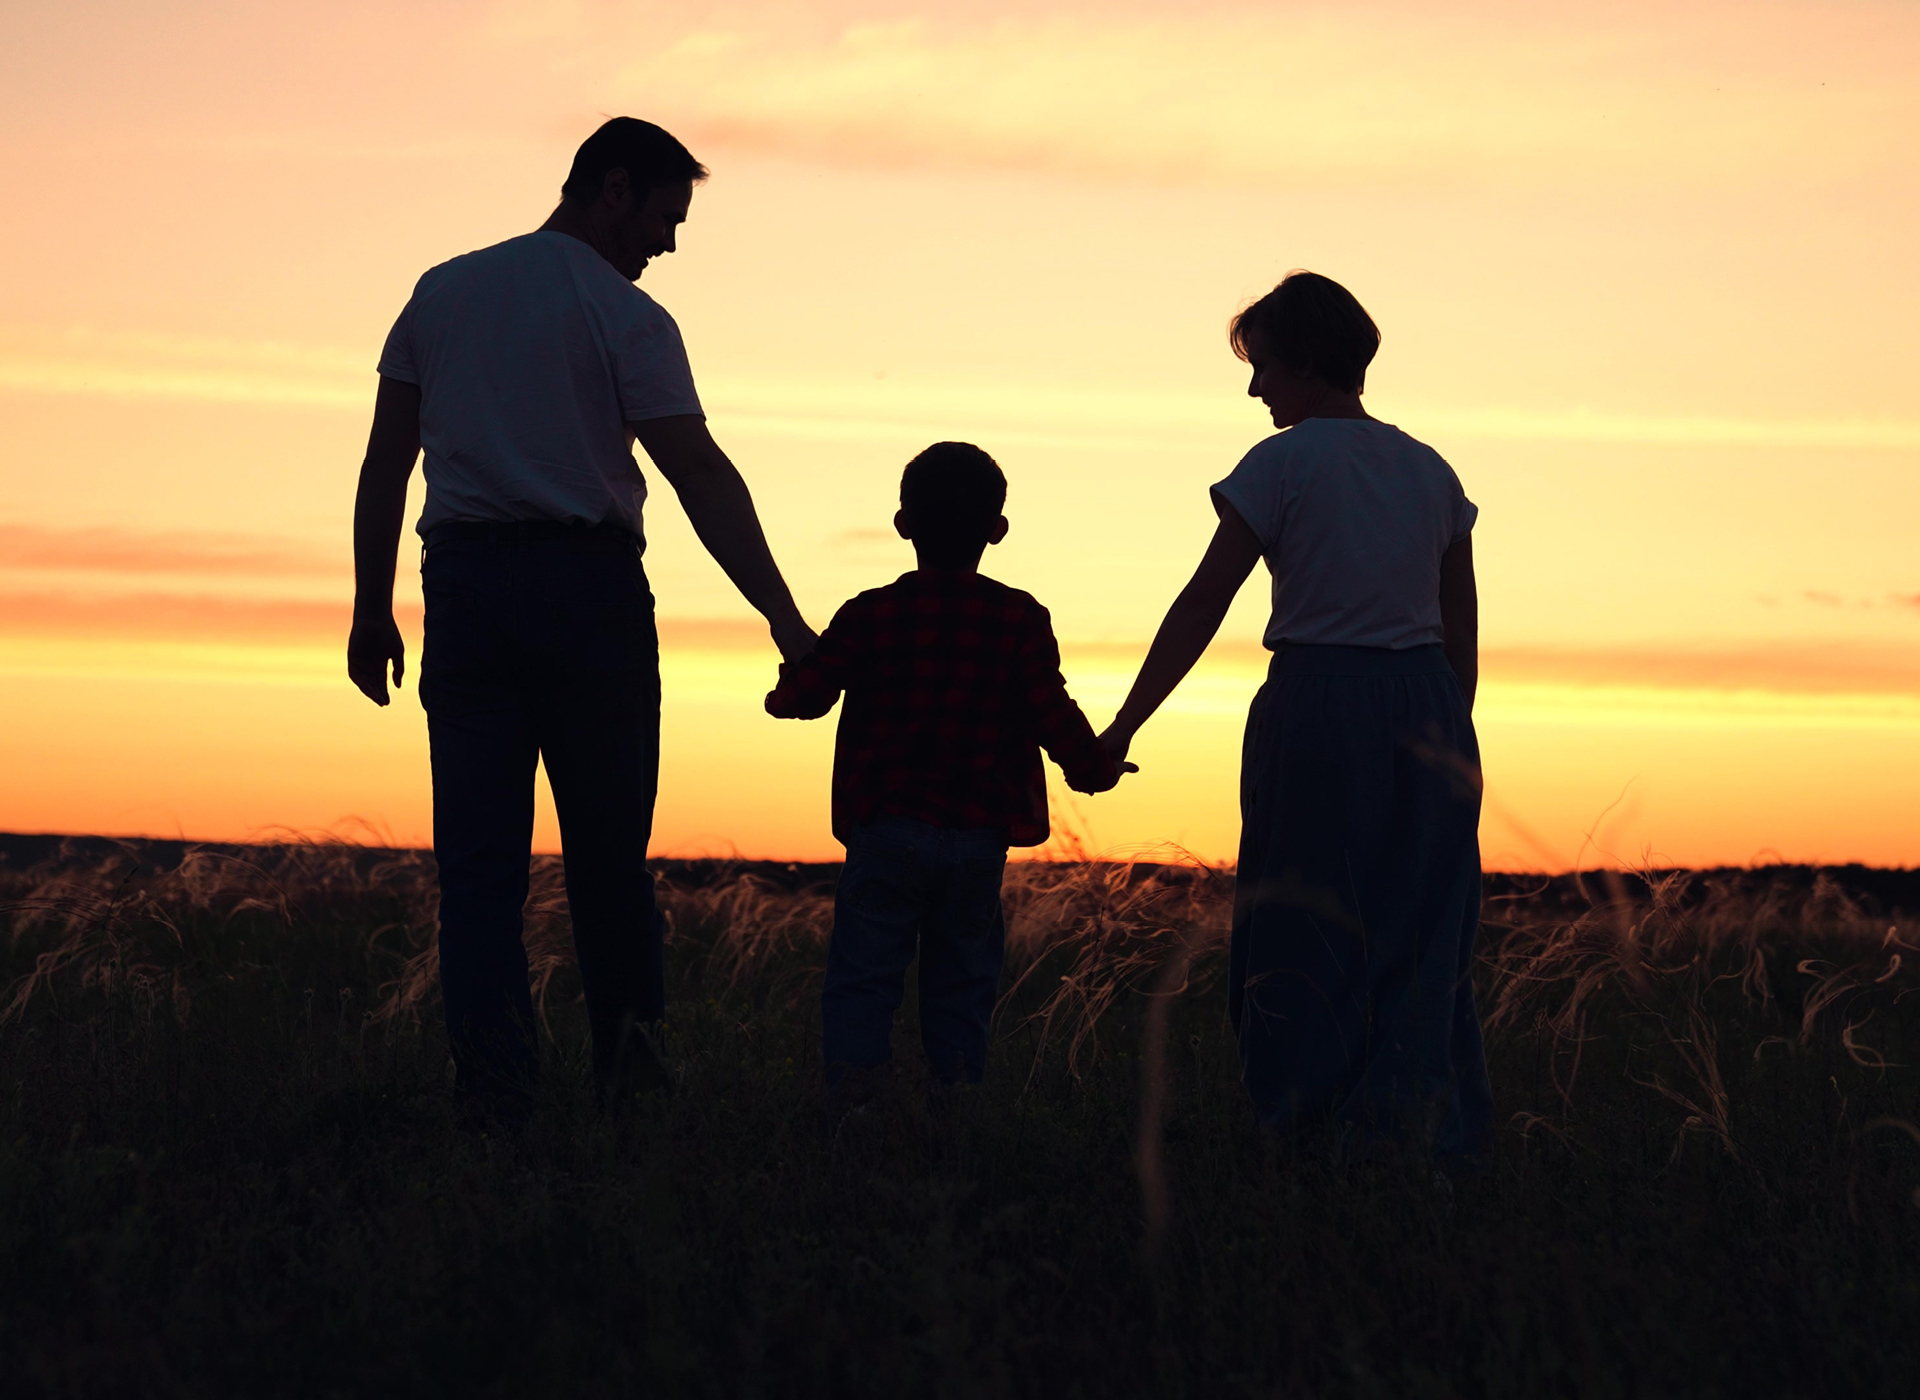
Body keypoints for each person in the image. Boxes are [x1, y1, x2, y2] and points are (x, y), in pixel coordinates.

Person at [347, 118, 816, 1116]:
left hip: (464, 594)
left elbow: (388, 462)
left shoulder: (444, 289)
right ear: (613, 190)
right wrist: (785, 617)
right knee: (609, 863)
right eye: (664, 214)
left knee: (477, 871)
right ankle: (633, 1085)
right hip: (587, 596)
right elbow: (697, 473)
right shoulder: (624, 316)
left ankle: (495, 1094)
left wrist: (369, 602)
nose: (669, 242)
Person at [1098, 272, 1492, 1159]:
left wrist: (1124, 726)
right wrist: (1445, 743)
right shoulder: (1430, 468)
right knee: (1421, 927)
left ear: (1307, 360)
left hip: (1320, 699)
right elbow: (1458, 631)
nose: (1254, 388)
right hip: (1427, 703)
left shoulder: (1279, 464)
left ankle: (1297, 1127)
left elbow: (1200, 605)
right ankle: (1419, 1135)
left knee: (1299, 918)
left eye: (1263, 366)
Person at [765, 443, 1123, 1090]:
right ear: (997, 530)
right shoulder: (1019, 618)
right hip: (976, 841)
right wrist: (1094, 768)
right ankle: (954, 1117)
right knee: (962, 985)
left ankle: (854, 1115)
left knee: (863, 982)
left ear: (903, 523)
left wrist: (785, 681)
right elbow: (1052, 713)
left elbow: (804, 700)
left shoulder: (869, 613)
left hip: (883, 833)